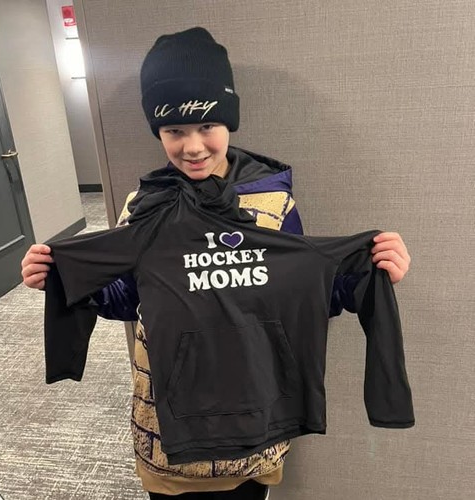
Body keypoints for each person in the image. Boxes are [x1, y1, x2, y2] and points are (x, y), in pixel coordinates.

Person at [21, 27, 411, 500]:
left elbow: (302, 290)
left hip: (256, 420)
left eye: (206, 125)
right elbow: (128, 298)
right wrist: (62, 279)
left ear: (229, 121)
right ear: (158, 132)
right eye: (174, 130)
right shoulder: (144, 206)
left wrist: (366, 274)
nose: (192, 146)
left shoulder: (272, 204)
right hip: (168, 425)